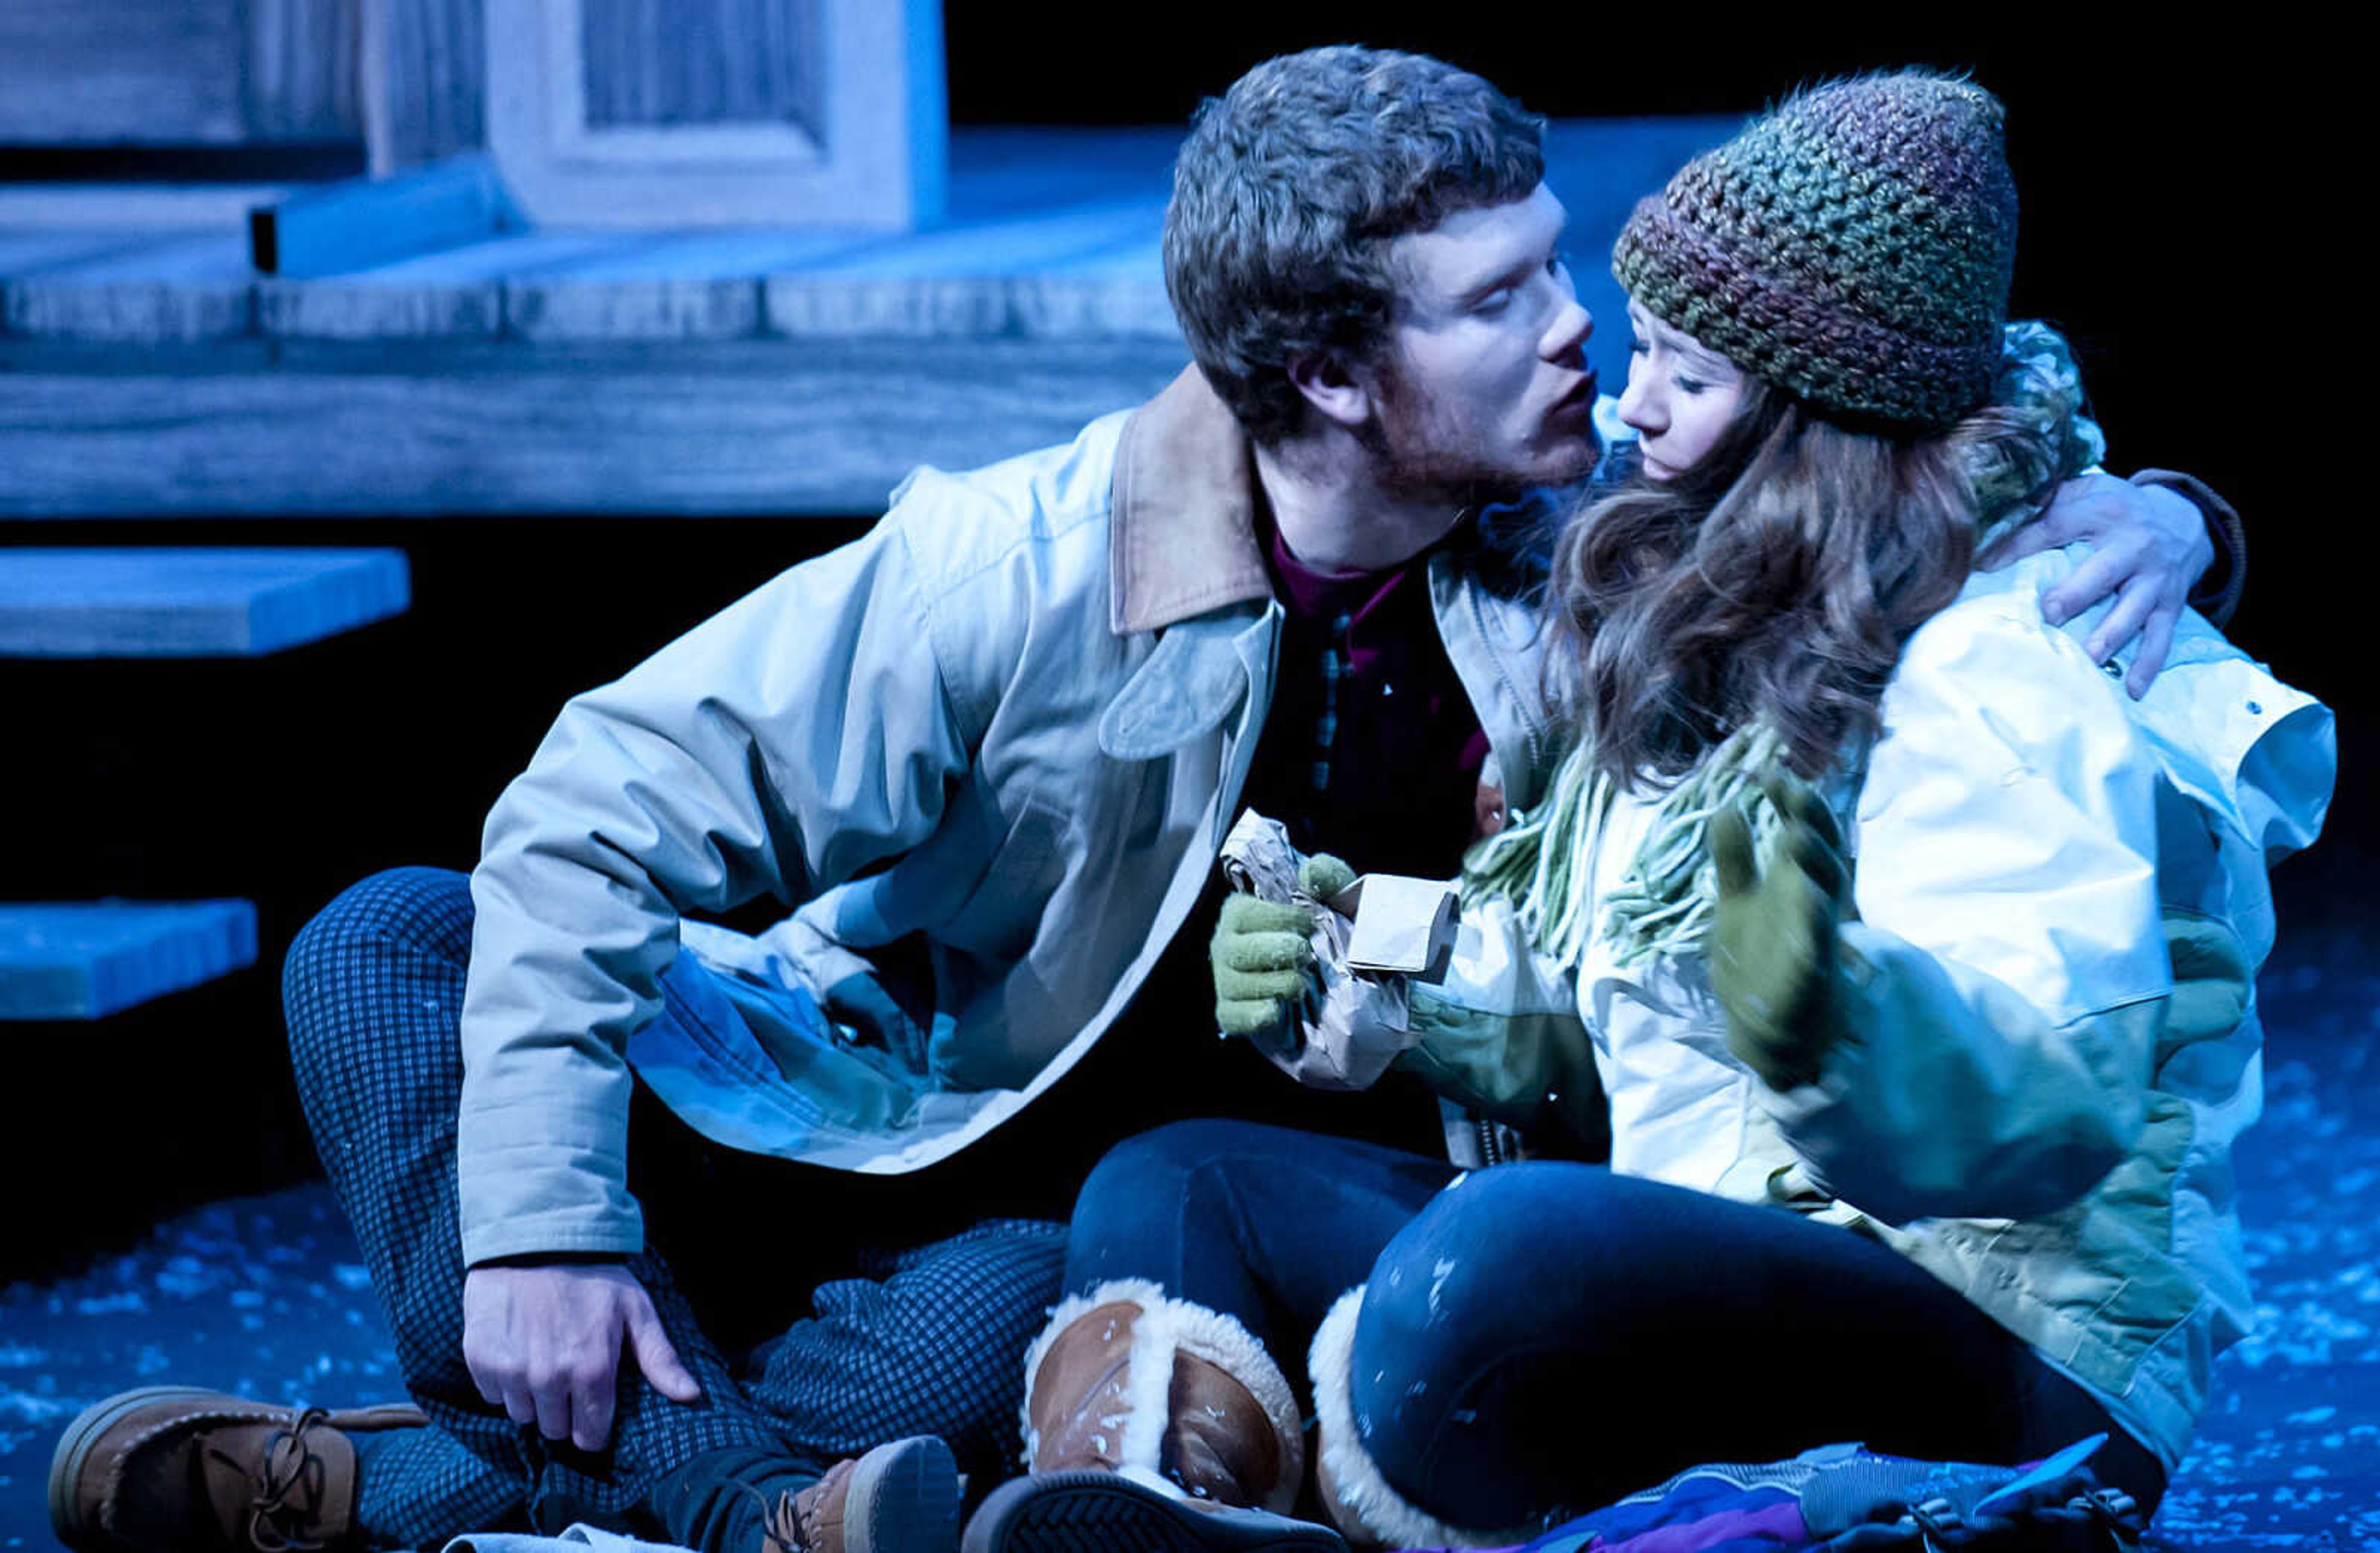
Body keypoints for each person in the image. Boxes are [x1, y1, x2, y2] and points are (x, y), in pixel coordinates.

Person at [48, 50, 2229, 1553]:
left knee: (1039, 1322)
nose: (1580, 341)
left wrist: (2160, 509)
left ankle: (423, 1494)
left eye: (1564, 272)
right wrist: (542, 1218)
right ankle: (745, 1511)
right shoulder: (1023, 561)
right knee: (389, 944)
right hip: (898, 1124)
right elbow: (605, 795)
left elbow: (1879, 399)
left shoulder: (1597, 541)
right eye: (1507, 301)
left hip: (1168, 1233)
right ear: (1326, 378)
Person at [970, 70, 2332, 1552]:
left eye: (1690, 368)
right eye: (1649, 348)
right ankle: (1164, 1527)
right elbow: (1583, 960)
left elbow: (2047, 1109)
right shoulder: (1720, 608)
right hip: (1727, 1262)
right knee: (1175, 1188)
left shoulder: (2014, 650)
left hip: (2003, 1347)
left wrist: (1836, 1020)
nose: (1633, 398)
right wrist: (1355, 946)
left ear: (1826, 408)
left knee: (1498, 1256)